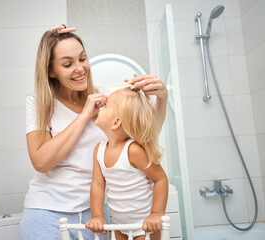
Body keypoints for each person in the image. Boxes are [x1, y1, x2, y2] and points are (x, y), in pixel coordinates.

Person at [18, 25, 168, 240]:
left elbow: (146, 133)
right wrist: (84, 116)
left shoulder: (106, 98)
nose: (80, 69)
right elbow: (41, 162)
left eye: (83, 58)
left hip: (96, 215)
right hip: (47, 211)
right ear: (51, 70)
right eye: (68, 64)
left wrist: (162, 97)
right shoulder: (39, 103)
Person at [85, 87, 169, 240]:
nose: (100, 106)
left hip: (144, 227)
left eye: (105, 105)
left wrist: (156, 214)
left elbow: (160, 179)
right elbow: (97, 184)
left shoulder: (133, 150)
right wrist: (97, 216)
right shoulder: (99, 150)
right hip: (119, 226)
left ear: (116, 122)